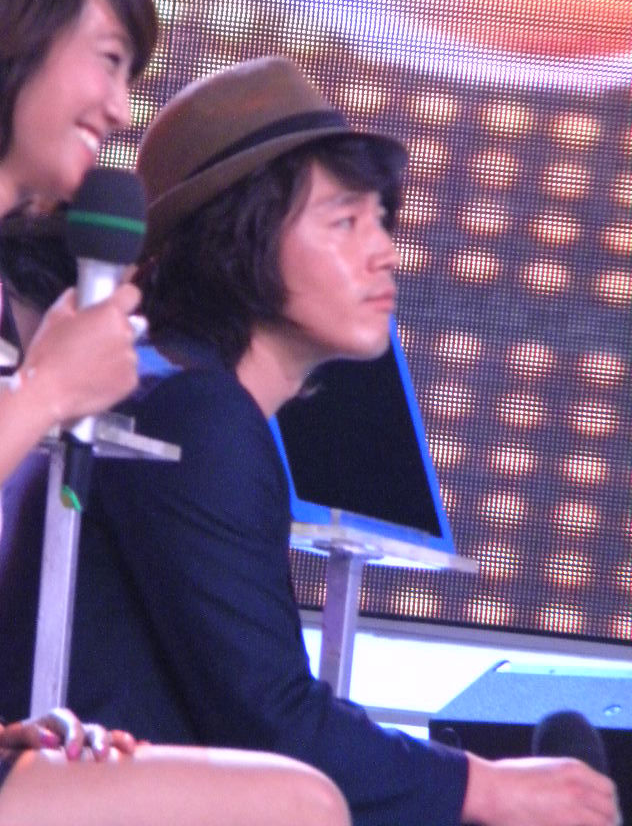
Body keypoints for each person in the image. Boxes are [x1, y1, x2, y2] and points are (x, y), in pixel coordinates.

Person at [0, 0, 351, 826]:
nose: (124, 110)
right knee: (292, 807)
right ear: (11, 33)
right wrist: (40, 397)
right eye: (110, 61)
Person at [61, 56, 621, 826]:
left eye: (381, 220)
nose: (384, 250)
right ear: (240, 236)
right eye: (344, 221)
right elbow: (273, 721)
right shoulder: (197, 413)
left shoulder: (185, 394)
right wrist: (490, 787)